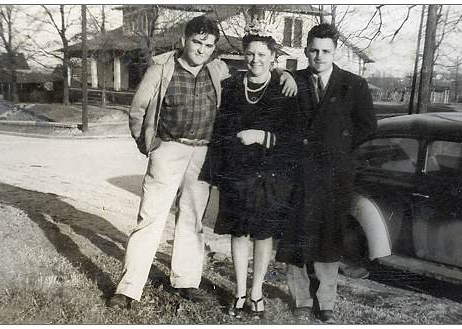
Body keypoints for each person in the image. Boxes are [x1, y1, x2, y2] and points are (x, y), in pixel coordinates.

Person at [108, 16, 297, 309]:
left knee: (192, 220)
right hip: (168, 149)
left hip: (202, 154)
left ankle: (185, 281)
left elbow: (258, 69)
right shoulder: (162, 66)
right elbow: (138, 109)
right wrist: (149, 145)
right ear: (184, 40)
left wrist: (287, 74)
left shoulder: (218, 69)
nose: (201, 49)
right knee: (150, 218)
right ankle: (129, 288)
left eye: (208, 45)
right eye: (197, 42)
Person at [275, 23, 377, 324]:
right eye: (314, 50)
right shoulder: (293, 81)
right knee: (296, 237)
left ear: (336, 51)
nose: (319, 56)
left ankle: (327, 301)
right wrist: (282, 74)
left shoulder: (354, 85)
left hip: (335, 174)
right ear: (306, 50)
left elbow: (368, 126)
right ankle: (301, 299)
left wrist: (339, 147)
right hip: (299, 173)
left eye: (326, 51)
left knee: (329, 237)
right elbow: (280, 122)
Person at [202, 33, 298, 319]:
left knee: (262, 233)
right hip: (237, 173)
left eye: (262, 54)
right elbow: (219, 129)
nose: (255, 60)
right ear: (244, 55)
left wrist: (262, 136)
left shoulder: (284, 89)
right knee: (239, 232)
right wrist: (219, 171)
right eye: (250, 54)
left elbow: (293, 136)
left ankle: (257, 293)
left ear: (272, 57)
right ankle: (240, 293)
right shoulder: (231, 86)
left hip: (269, 174)